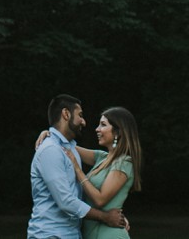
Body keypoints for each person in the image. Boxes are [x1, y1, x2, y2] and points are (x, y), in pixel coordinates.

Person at [28, 94, 126, 239]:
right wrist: (105, 217)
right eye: (80, 115)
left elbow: (84, 195)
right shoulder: (50, 150)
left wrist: (118, 215)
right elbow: (66, 201)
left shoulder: (69, 148)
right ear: (66, 114)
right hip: (50, 234)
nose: (84, 122)